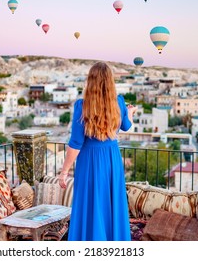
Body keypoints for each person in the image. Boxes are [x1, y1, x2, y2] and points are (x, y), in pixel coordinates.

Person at [58, 61, 138, 241]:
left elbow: (76, 143)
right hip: (111, 159)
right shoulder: (119, 102)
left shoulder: (82, 106)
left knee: (91, 202)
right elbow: (125, 126)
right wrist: (130, 112)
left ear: (90, 81)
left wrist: (64, 172)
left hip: (89, 160)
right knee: (111, 202)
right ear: (110, 81)